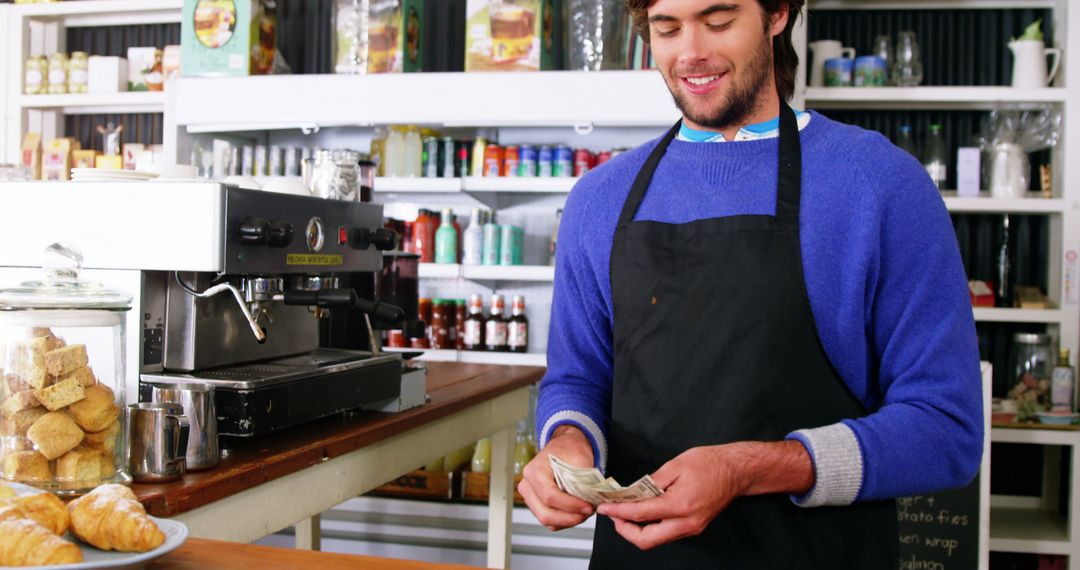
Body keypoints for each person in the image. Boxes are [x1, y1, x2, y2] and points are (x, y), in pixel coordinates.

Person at [517, 0, 984, 567]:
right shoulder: (599, 200)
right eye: (666, 28)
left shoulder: (880, 186)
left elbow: (946, 429)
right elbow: (578, 379)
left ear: (778, 13)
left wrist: (750, 468)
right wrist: (567, 444)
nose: (690, 52)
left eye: (718, 22)